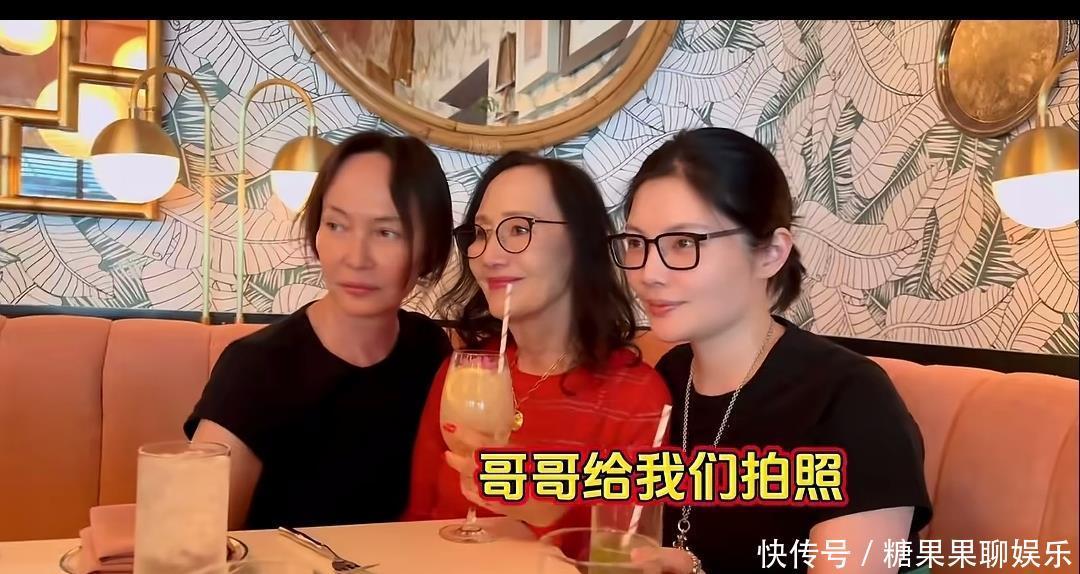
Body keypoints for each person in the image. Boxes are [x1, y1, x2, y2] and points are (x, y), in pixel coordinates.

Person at [612, 128, 932, 573]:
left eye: (684, 243)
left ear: (771, 253)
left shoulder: (850, 398)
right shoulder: (668, 377)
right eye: (636, 243)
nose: (648, 273)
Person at [184, 131, 455, 530]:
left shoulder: (429, 350)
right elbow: (193, 535)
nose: (355, 258)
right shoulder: (256, 367)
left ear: (428, 250)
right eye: (336, 225)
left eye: (386, 232)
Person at [404, 151, 672, 533]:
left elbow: (626, 551)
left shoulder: (636, 399)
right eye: (480, 233)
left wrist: (551, 510)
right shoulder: (463, 375)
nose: (488, 255)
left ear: (580, 242)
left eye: (518, 229)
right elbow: (415, 524)